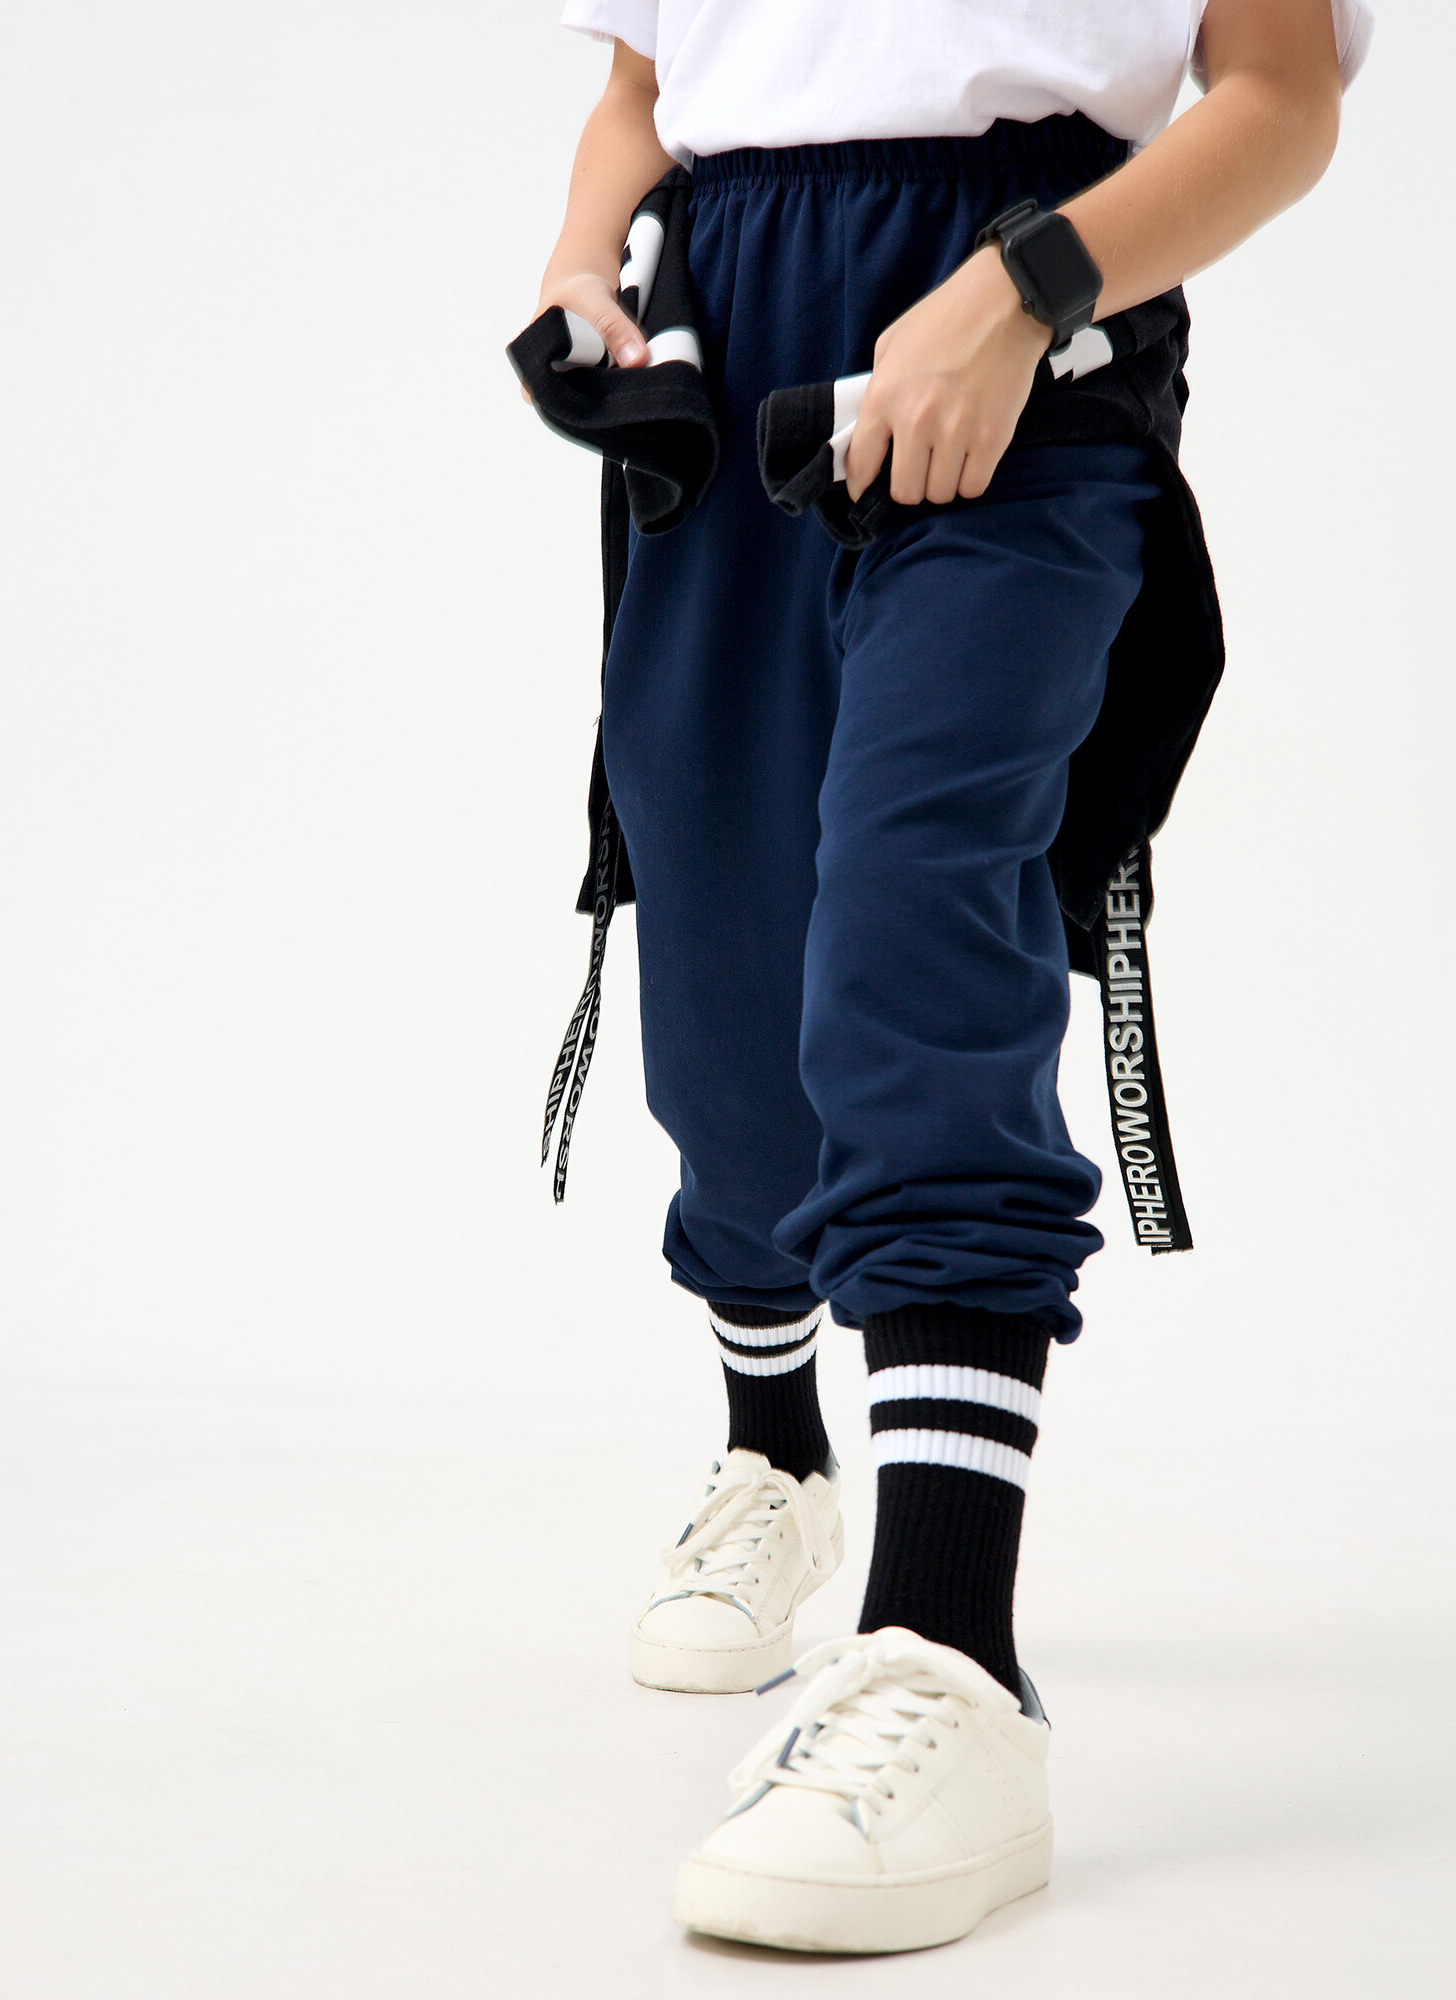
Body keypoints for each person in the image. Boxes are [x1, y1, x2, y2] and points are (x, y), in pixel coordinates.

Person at [519, 0, 1371, 1957]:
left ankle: (948, 1650)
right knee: (730, 990)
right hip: (727, 332)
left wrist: (1026, 287)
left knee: (913, 914)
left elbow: (1280, 98)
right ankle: (775, 1450)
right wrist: (582, 273)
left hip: (1036, 308)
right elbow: (642, 91)